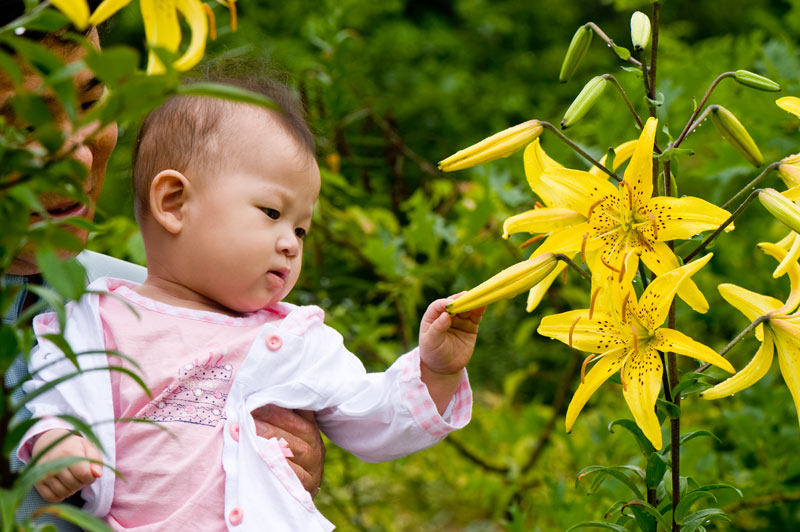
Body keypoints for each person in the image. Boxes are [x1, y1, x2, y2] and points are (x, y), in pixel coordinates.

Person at [18, 74, 483, 531]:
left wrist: (435, 371)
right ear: (175, 202)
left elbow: (373, 414)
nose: (291, 244)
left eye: (301, 228)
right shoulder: (95, 318)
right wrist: (55, 440)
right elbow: (59, 395)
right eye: (273, 214)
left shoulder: (293, 337)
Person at [1, 5, 324, 530]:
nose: (78, 157)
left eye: (90, 101)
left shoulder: (158, 310)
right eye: (19, 121)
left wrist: (294, 459)